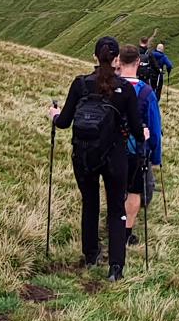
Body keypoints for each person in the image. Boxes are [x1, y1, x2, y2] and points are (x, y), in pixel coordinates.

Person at [49, 36, 142, 281]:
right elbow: (135, 129)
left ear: (94, 57)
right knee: (116, 208)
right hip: (115, 156)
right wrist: (143, 134)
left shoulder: (80, 84)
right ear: (117, 60)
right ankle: (116, 268)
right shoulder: (125, 89)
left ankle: (91, 255)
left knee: (90, 203)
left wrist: (54, 115)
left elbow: (64, 122)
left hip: (84, 154)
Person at [118, 44, 164, 246]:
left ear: (119, 61)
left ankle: (113, 221)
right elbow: (154, 128)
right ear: (138, 62)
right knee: (134, 191)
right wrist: (155, 156)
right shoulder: (146, 92)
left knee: (114, 187)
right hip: (136, 149)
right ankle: (126, 231)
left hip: (111, 148)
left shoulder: (110, 86)